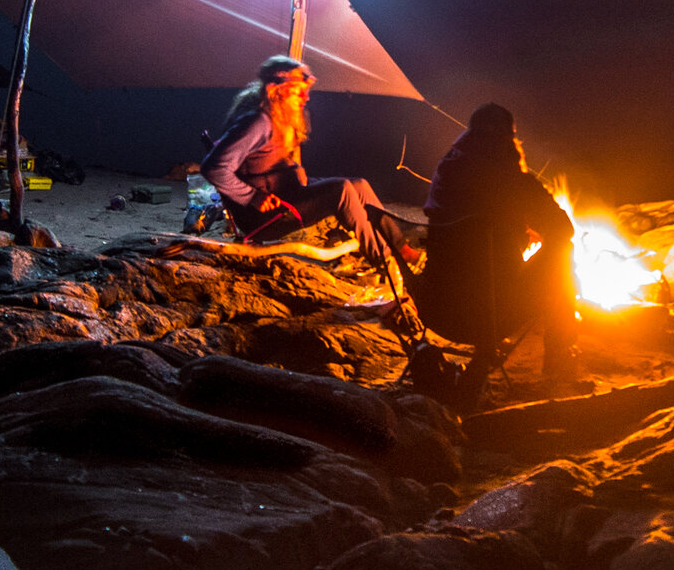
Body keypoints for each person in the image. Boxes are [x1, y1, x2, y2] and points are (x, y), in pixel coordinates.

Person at [414, 103, 578, 382]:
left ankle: (485, 353)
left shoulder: (446, 172)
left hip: (437, 308)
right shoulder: (513, 179)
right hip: (494, 313)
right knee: (563, 249)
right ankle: (559, 359)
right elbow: (564, 229)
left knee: (479, 262)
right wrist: (531, 226)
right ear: (509, 139)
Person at [201, 55, 406, 262]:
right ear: (275, 90)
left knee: (360, 185)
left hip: (289, 195)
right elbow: (213, 168)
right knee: (341, 191)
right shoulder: (259, 122)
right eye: (298, 91)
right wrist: (252, 196)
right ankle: (385, 260)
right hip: (265, 217)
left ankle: (402, 249)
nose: (306, 97)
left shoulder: (282, 116)